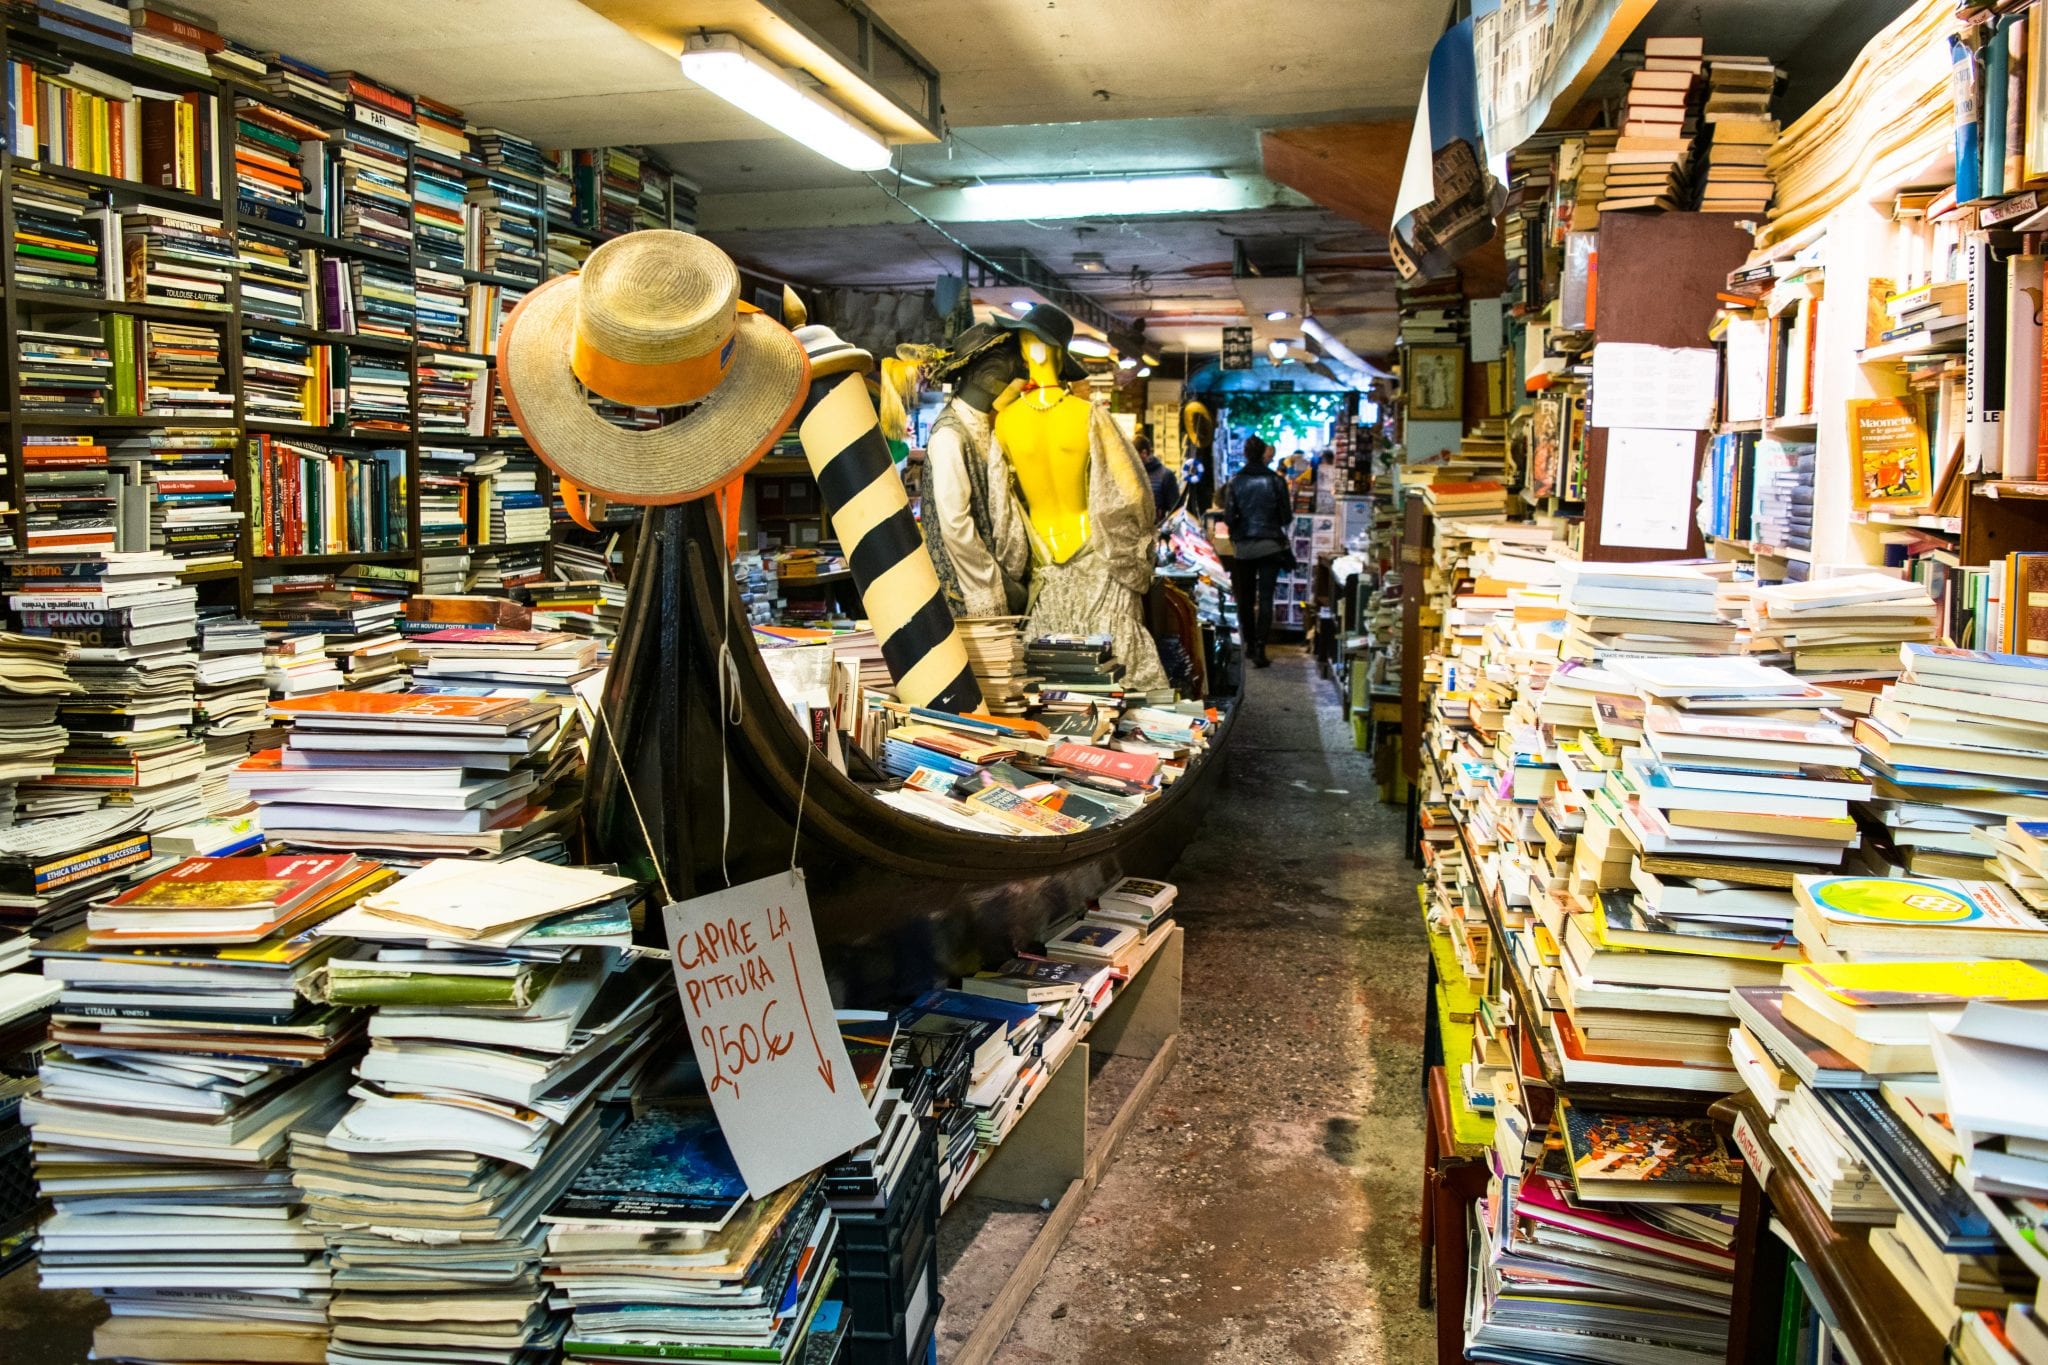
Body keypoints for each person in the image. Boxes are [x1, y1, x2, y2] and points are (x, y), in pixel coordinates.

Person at [1221, 436, 1293, 667]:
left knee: (1245, 598)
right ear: (1264, 454)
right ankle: (1261, 647)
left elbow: (1229, 517)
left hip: (1244, 547)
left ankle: (1249, 645)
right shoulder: (1276, 481)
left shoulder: (1235, 482)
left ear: (1245, 454)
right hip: (1271, 545)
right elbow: (1286, 517)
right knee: (1266, 598)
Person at [1137, 433, 1179, 522]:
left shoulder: (1166, 476)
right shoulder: (1132, 475)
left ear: (1144, 453)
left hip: (1158, 528)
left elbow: (1176, 511)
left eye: (1134, 456)